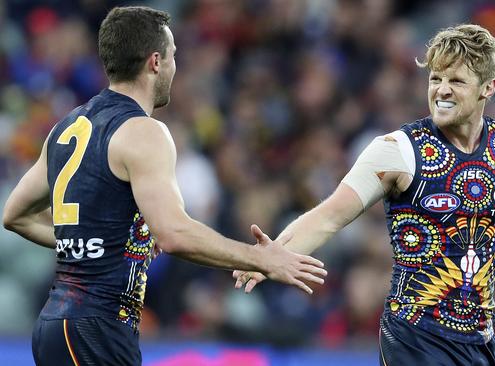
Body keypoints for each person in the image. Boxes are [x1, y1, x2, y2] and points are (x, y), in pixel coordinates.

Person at [234, 24, 495, 365]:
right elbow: (329, 216)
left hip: (479, 342)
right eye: (435, 78)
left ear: (488, 87)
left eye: (456, 80)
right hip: (414, 339)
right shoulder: (396, 150)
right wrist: (268, 255)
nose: (442, 90)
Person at [2, 6, 326, 366]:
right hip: (98, 327)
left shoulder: (66, 127)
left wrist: (100, 240)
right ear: (156, 62)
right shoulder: (145, 132)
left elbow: (15, 215)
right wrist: (260, 258)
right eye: (174, 55)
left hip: (56, 324)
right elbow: (173, 234)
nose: (175, 65)